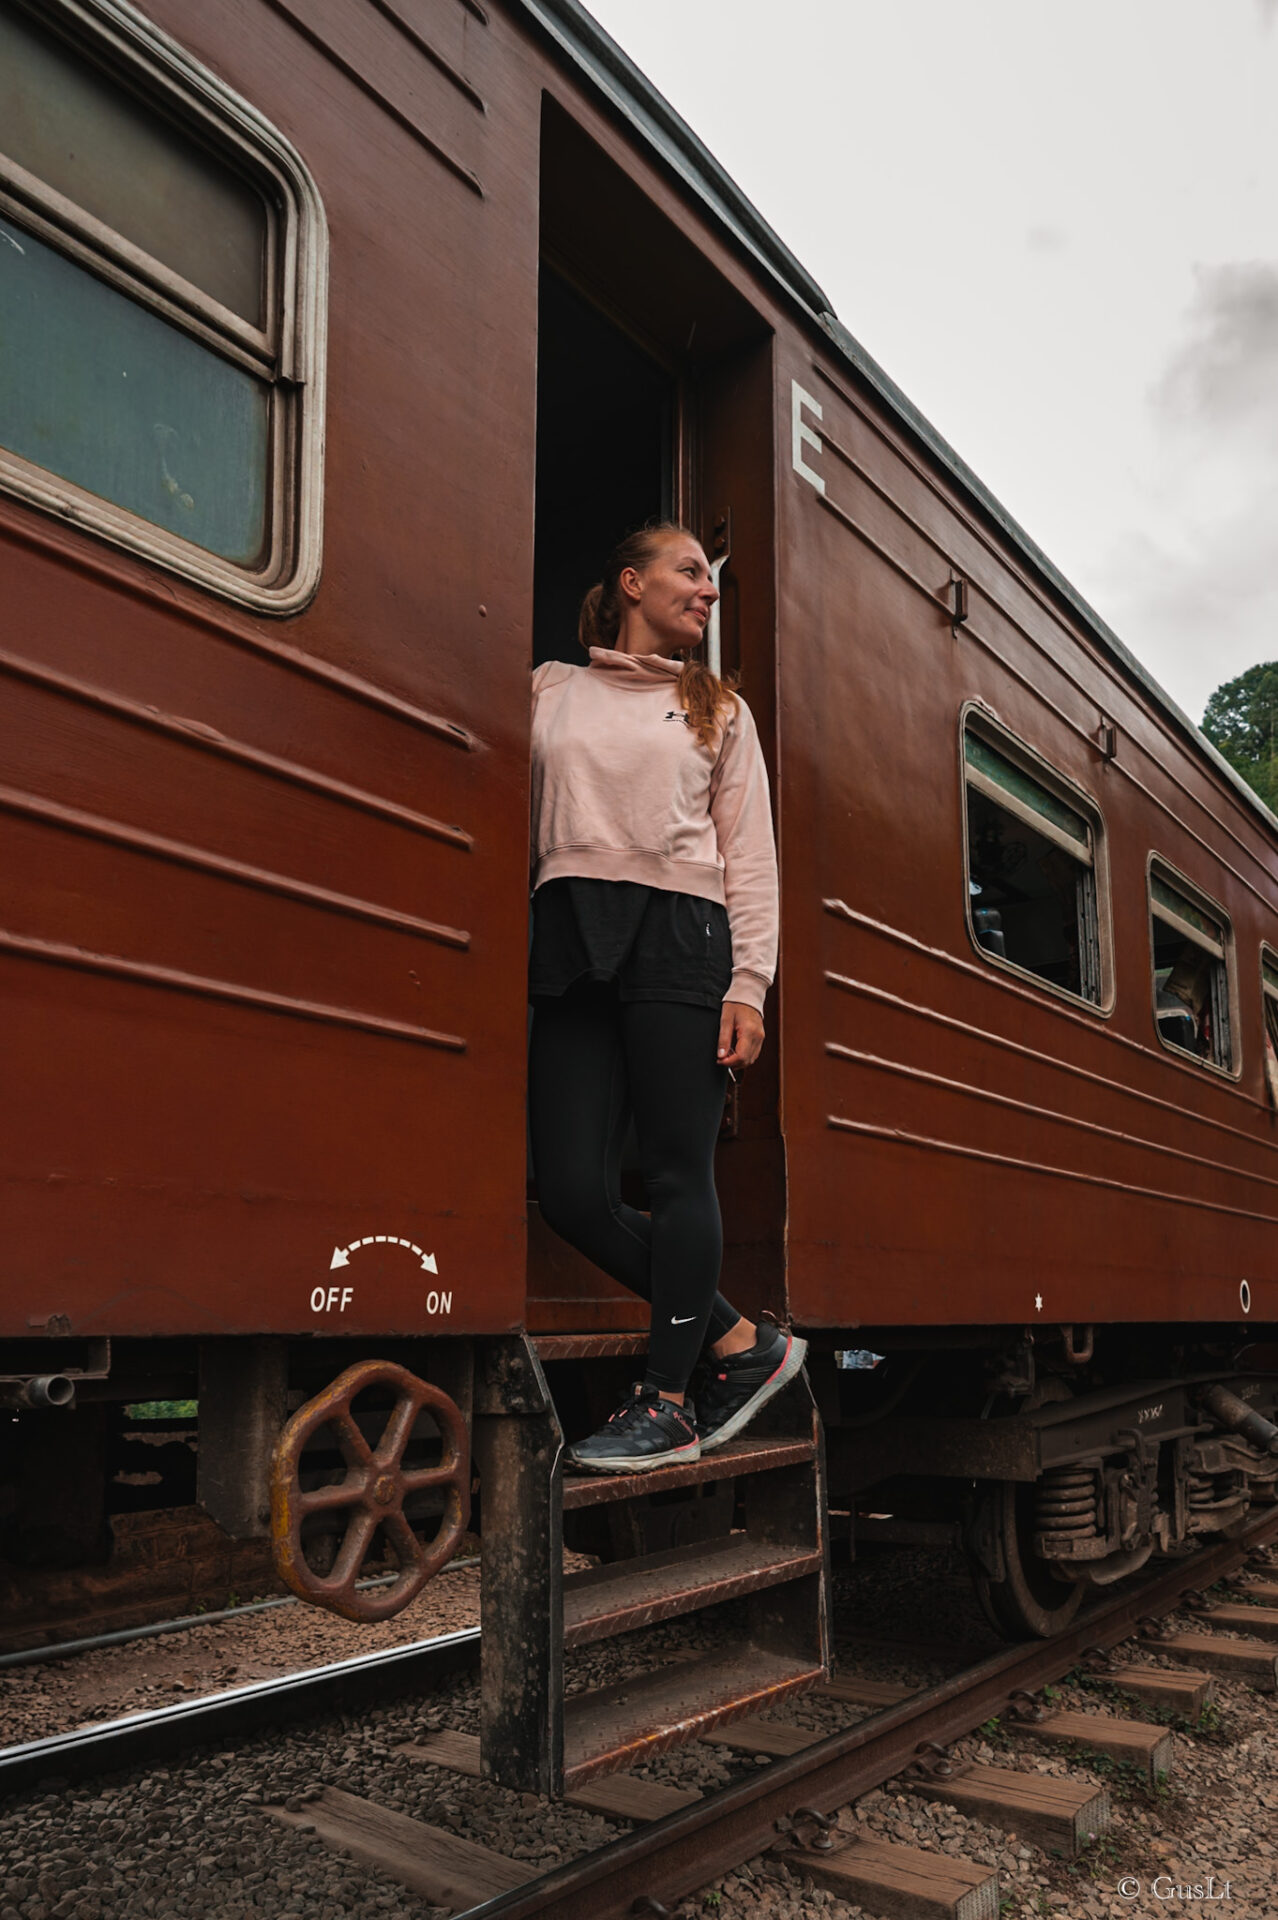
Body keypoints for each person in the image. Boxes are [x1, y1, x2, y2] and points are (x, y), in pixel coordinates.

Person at [528, 522, 807, 1473]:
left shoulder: (719, 710)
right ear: (630, 581)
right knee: (570, 1190)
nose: (708, 590)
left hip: (682, 938)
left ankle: (672, 1401)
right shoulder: (550, 690)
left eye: (709, 577)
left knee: (680, 1174)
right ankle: (739, 1342)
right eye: (689, 572)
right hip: (570, 931)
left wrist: (752, 985)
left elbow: (753, 860)